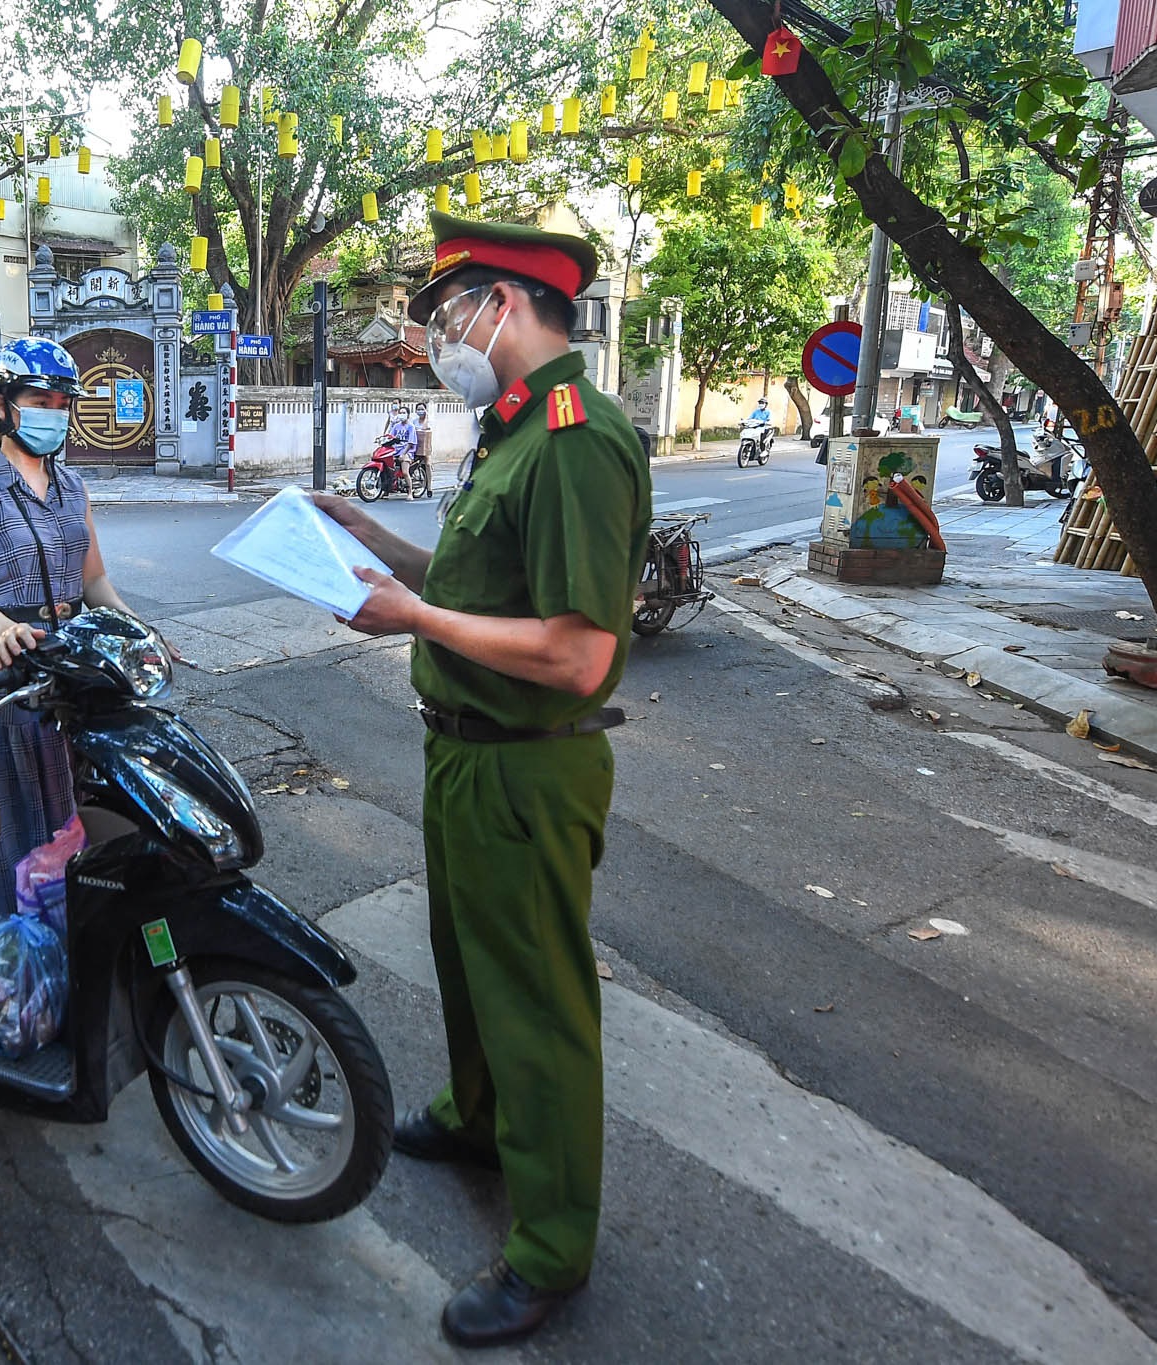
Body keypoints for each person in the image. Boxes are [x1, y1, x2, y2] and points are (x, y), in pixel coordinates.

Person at [314, 212, 650, 1348]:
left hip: (527, 769)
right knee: (466, 958)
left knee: (538, 1002)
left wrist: (409, 615)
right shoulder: (508, 437)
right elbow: (478, 586)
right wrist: (375, 544)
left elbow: (575, 651)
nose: (437, 338)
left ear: (502, 306)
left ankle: (550, 1247)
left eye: (446, 314)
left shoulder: (572, 439)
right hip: (461, 749)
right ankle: (473, 1116)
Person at [0, 338, 132, 921]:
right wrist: (3, 629)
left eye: (61, 400)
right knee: (16, 818)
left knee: (79, 804)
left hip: (73, 665)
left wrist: (136, 628)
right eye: (39, 398)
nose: (54, 410)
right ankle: (15, 950)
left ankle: (74, 935)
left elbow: (94, 581)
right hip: (10, 668)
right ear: (1, 405)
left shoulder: (75, 487)